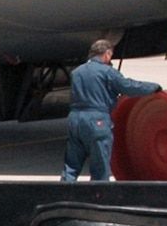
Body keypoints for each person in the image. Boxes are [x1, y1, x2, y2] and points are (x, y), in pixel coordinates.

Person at [63, 39, 161, 181]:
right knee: (100, 168)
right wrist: (153, 87)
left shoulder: (77, 72)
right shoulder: (107, 72)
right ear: (107, 54)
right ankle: (99, 197)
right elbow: (128, 87)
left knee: (71, 166)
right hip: (97, 120)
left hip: (75, 119)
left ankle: (62, 194)